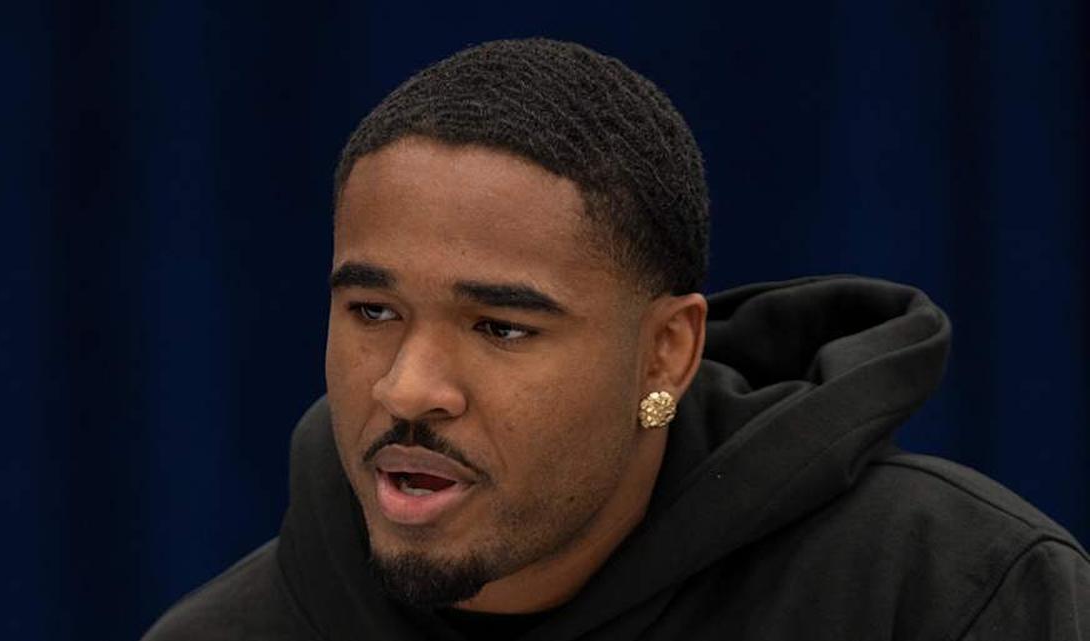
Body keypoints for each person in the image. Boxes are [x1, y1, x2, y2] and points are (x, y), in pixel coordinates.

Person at [142, 38, 1089, 640]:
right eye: (373, 312)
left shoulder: (954, 594)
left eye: (501, 326)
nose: (407, 388)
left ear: (666, 352)